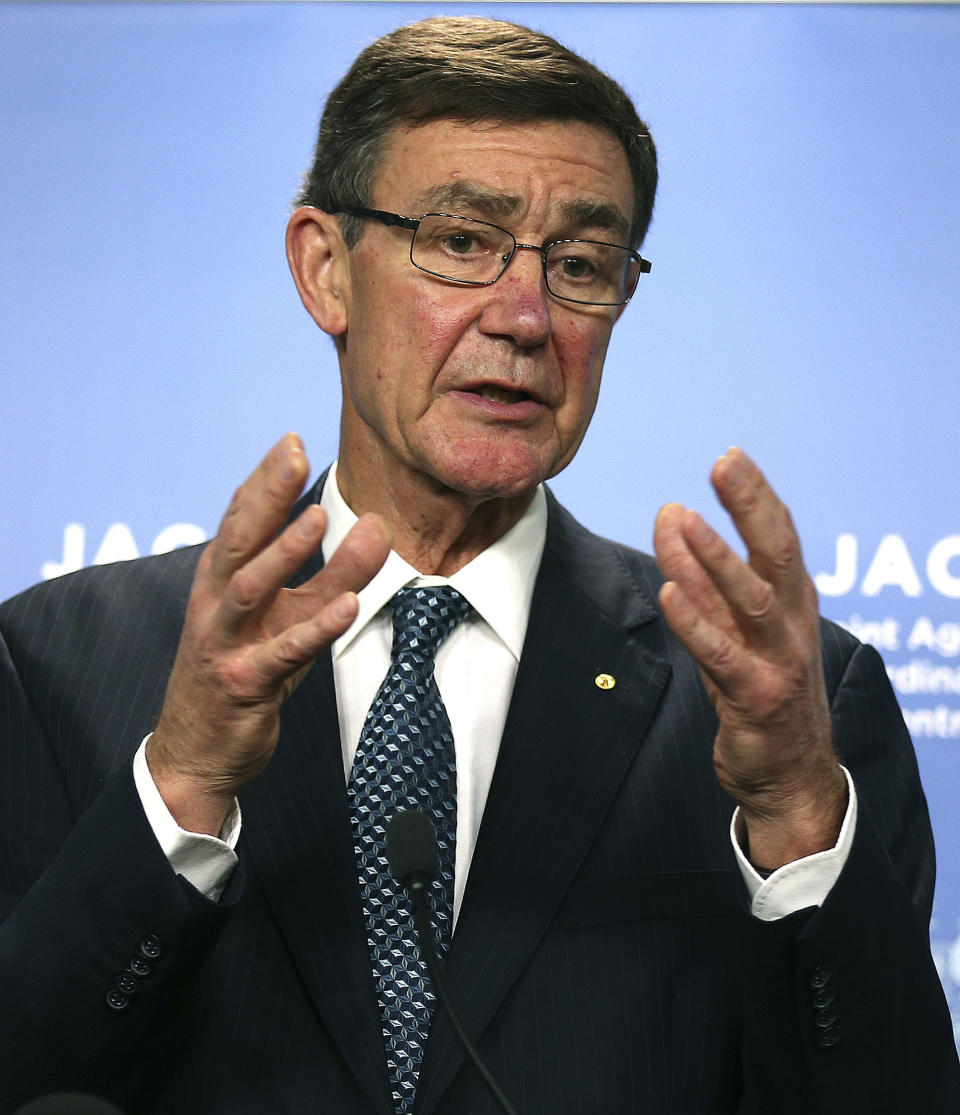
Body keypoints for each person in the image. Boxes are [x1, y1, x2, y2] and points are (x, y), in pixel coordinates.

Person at [0, 16, 957, 1115]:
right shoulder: (59, 665)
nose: (526, 314)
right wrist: (179, 790)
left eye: (583, 265)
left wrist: (792, 813)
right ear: (325, 270)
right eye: (461, 241)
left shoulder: (788, 705)